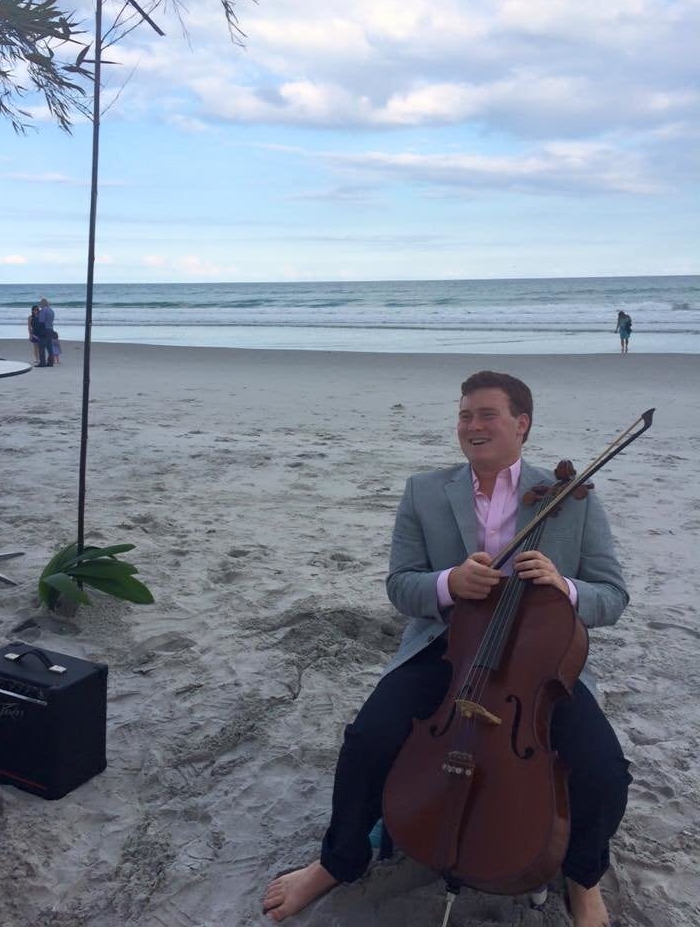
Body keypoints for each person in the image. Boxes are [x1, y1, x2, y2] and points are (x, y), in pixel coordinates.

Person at [263, 371, 631, 927]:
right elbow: (400, 584)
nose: (473, 426)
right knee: (367, 740)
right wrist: (449, 585)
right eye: (465, 415)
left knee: (604, 771)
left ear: (521, 424)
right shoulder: (425, 491)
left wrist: (565, 586)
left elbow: (613, 596)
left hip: (539, 663)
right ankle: (338, 861)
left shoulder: (571, 497)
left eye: (487, 415)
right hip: (447, 648)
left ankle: (582, 879)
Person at [36, 297, 55, 367]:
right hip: (50, 329)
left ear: (43, 304)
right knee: (49, 347)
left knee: (41, 346)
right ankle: (50, 362)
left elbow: (41, 321)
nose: (39, 305)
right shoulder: (51, 310)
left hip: (44, 329)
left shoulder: (43, 310)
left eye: (40, 303)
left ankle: (42, 363)